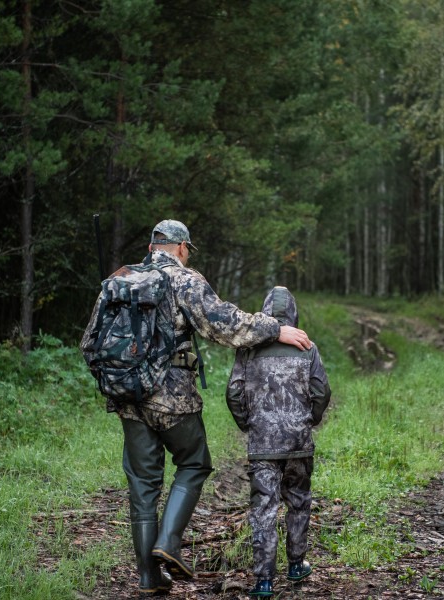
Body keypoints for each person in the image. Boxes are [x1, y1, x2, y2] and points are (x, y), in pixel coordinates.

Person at [80, 219, 313, 596]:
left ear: (153, 245)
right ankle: (168, 543)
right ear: (182, 248)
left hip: (126, 399)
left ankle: (148, 578)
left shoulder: (118, 279)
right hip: (172, 398)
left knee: (143, 485)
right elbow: (224, 325)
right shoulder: (184, 280)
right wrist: (275, 328)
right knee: (194, 462)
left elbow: (89, 344)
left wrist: (120, 380)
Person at [226, 286, 331, 598]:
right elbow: (321, 391)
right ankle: (297, 564)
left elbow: (234, 392)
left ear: (265, 313)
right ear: (293, 313)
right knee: (298, 500)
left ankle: (264, 582)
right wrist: (309, 419)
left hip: (262, 444)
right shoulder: (306, 346)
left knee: (264, 508)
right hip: (298, 441)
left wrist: (248, 422)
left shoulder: (248, 349)